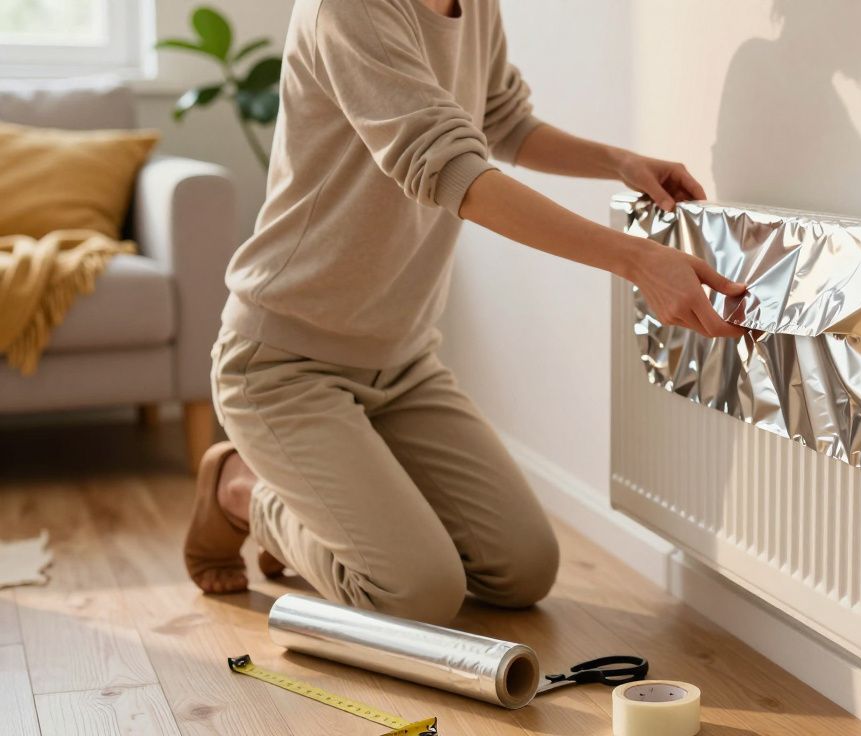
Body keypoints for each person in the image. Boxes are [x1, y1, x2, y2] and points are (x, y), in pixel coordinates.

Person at [184, 0, 745, 626]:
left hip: (401, 362)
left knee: (522, 570)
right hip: (282, 362)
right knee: (415, 593)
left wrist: (618, 162)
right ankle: (239, 490)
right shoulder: (346, 9)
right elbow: (454, 171)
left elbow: (501, 121)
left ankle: (352, 509)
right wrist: (637, 261)